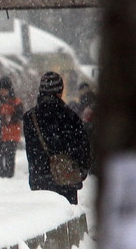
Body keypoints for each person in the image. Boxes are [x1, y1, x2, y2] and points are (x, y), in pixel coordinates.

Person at [22, 71, 92, 204]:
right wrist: (81, 170)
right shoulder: (70, 117)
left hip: (39, 182)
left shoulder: (30, 118)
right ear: (60, 91)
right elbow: (83, 149)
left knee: (43, 221)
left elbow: (31, 153)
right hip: (66, 180)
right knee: (66, 218)